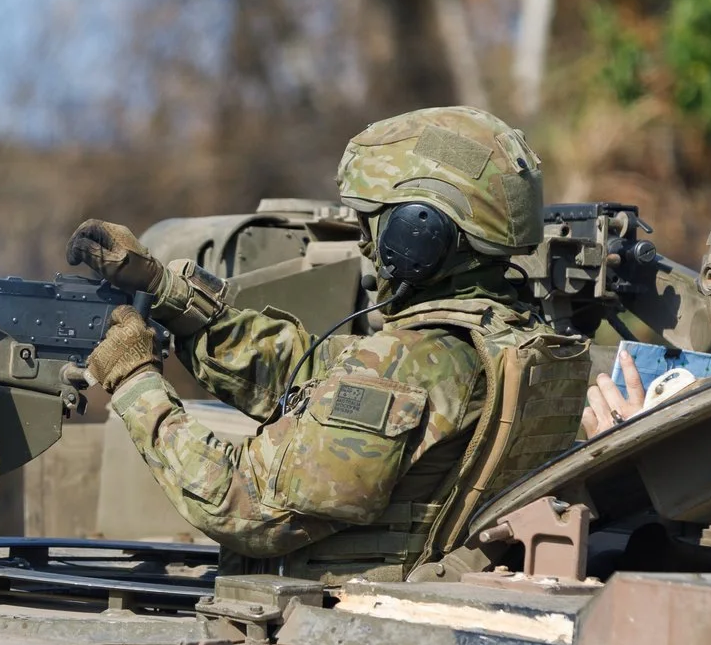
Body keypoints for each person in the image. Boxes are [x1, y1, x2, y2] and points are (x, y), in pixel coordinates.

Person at [71, 106, 592, 579]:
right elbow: (317, 377)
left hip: (336, 621)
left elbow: (244, 505)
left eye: (374, 220)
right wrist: (168, 294)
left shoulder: (412, 362)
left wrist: (135, 382)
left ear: (420, 231)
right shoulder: (508, 336)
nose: (365, 241)